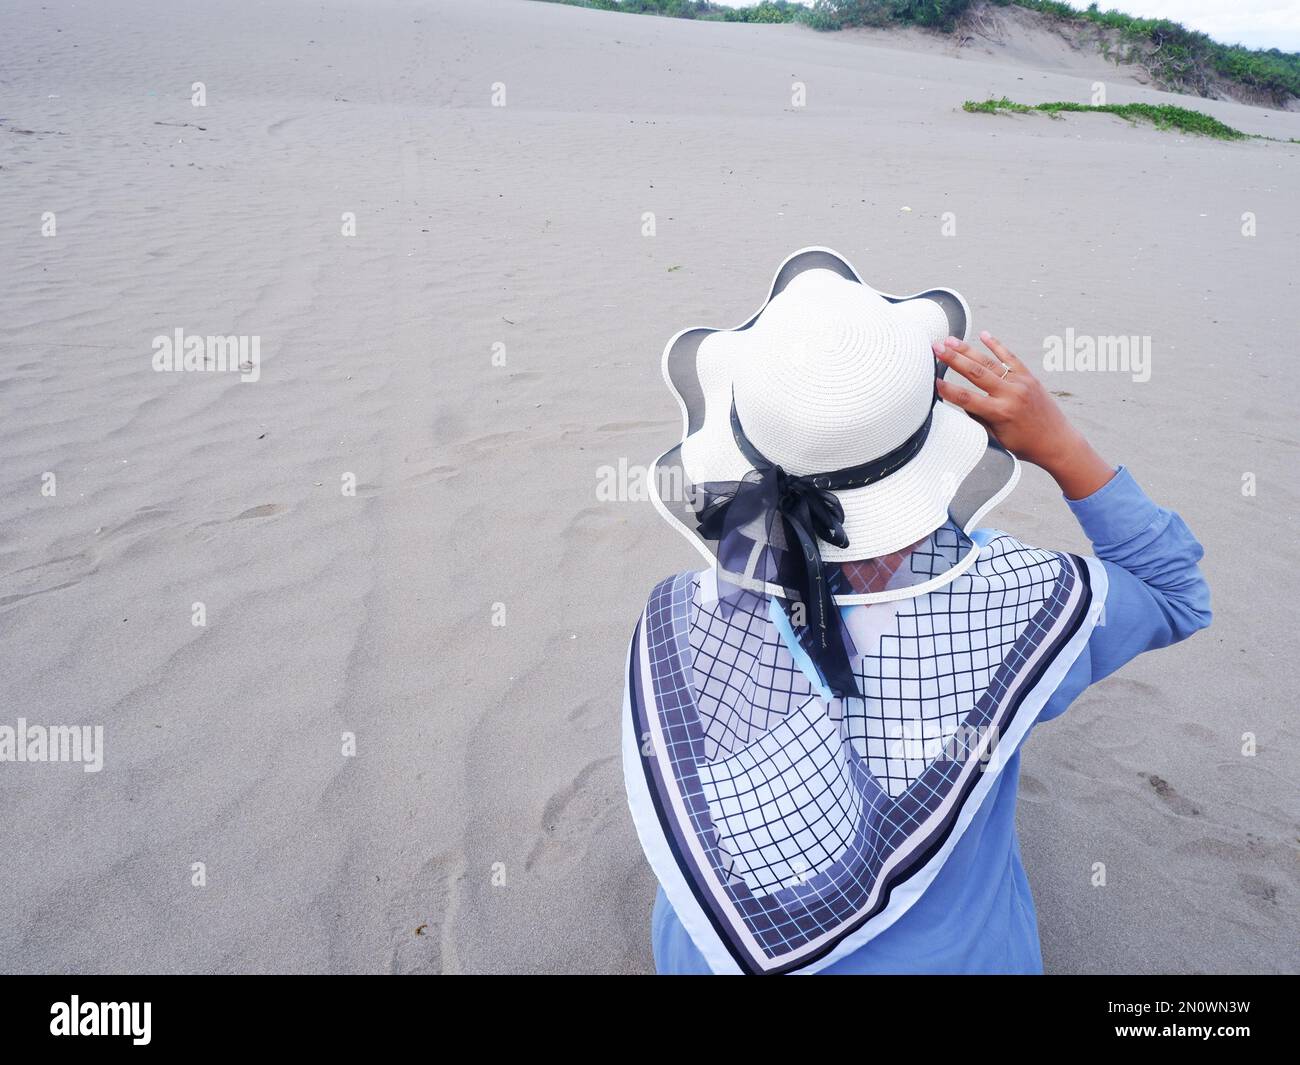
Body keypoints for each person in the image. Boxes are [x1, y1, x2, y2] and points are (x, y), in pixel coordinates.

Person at [622, 250, 1211, 975]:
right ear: (941, 423)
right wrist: (1061, 446)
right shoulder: (1018, 598)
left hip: (707, 954)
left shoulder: (681, 614)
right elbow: (1175, 592)